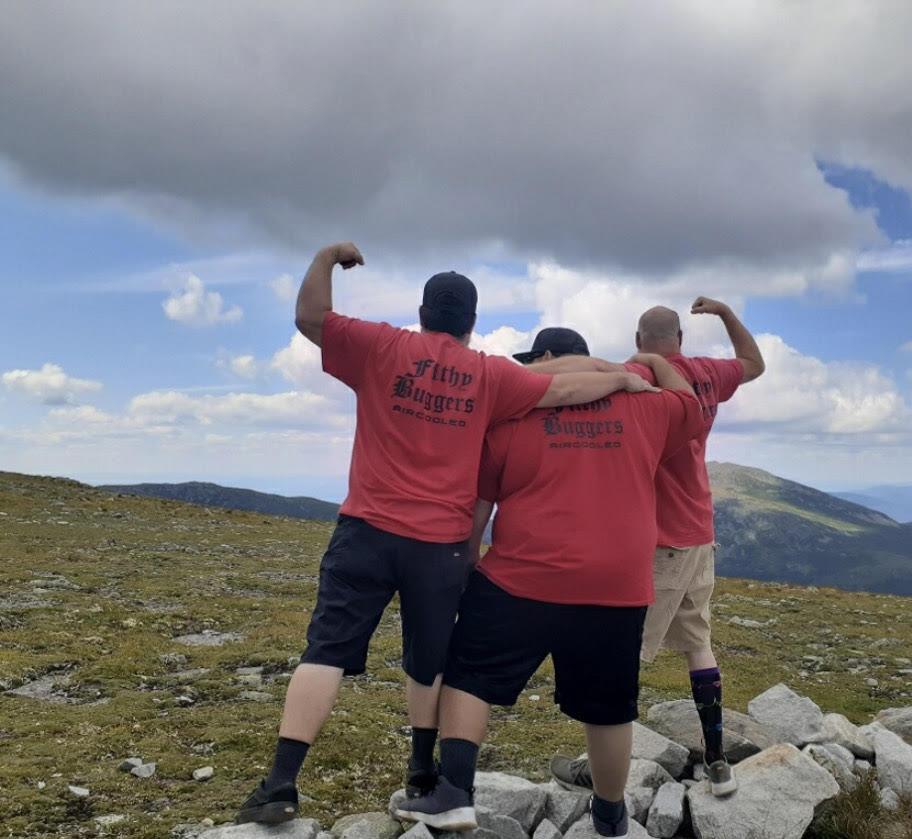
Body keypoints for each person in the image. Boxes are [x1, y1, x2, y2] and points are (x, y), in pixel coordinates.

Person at [235, 245, 658, 825]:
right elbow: (560, 390)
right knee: (429, 662)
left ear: (423, 312)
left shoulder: (382, 347)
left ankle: (281, 783)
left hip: (366, 531)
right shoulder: (490, 375)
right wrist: (622, 379)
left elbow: (310, 316)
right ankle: (422, 772)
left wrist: (327, 257)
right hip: (439, 547)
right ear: (473, 323)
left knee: (326, 651)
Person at [394, 329, 706, 836]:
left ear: (543, 360)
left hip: (521, 578)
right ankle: (610, 816)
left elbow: (480, 504)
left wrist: (468, 558)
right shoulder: (646, 407)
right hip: (617, 586)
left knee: (469, 676)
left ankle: (453, 791)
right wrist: (652, 360)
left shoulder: (513, 415)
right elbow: (690, 404)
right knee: (609, 708)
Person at [550, 298, 764, 798]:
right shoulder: (708, 374)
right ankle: (717, 763)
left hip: (657, 538)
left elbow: (570, 384)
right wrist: (727, 315)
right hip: (699, 533)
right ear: (681, 342)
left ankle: (600, 776)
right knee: (698, 645)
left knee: (619, 658)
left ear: (639, 341)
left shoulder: (634, 373)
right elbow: (754, 363)